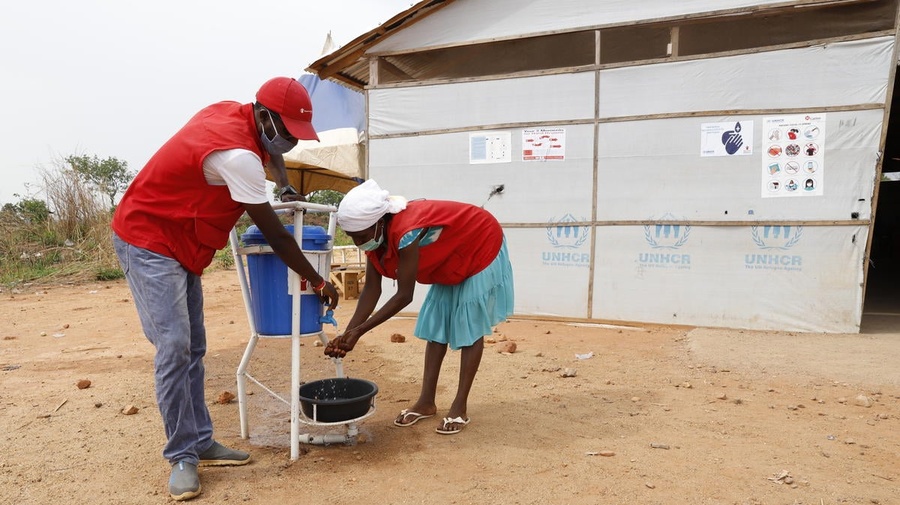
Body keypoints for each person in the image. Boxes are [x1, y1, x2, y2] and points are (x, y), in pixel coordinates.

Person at [111, 76, 339, 501]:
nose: (290, 141)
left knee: (195, 346)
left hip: (180, 241)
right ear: (265, 117)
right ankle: (182, 455)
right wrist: (319, 279)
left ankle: (200, 442)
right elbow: (279, 237)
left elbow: (268, 153)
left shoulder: (235, 114)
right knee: (175, 346)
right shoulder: (237, 157)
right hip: (147, 237)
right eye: (286, 132)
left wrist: (284, 179)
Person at [324, 180, 514, 435]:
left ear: (380, 222)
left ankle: (459, 406)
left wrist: (359, 332)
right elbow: (371, 289)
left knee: (468, 325)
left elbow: (404, 295)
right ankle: (426, 402)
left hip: (479, 241)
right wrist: (349, 332)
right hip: (451, 251)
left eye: (360, 237)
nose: (358, 242)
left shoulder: (406, 231)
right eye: (352, 238)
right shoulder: (374, 235)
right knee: (438, 324)